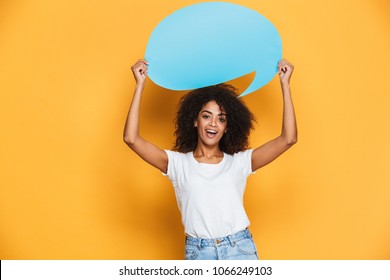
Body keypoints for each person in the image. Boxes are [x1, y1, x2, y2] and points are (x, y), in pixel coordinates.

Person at [124, 58, 297, 260]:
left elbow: (288, 138)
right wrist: (140, 85)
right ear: (195, 121)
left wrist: (285, 84)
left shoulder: (239, 162)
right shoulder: (178, 164)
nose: (213, 123)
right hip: (199, 253)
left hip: (239, 250)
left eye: (221, 119)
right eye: (206, 116)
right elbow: (131, 138)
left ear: (226, 127)